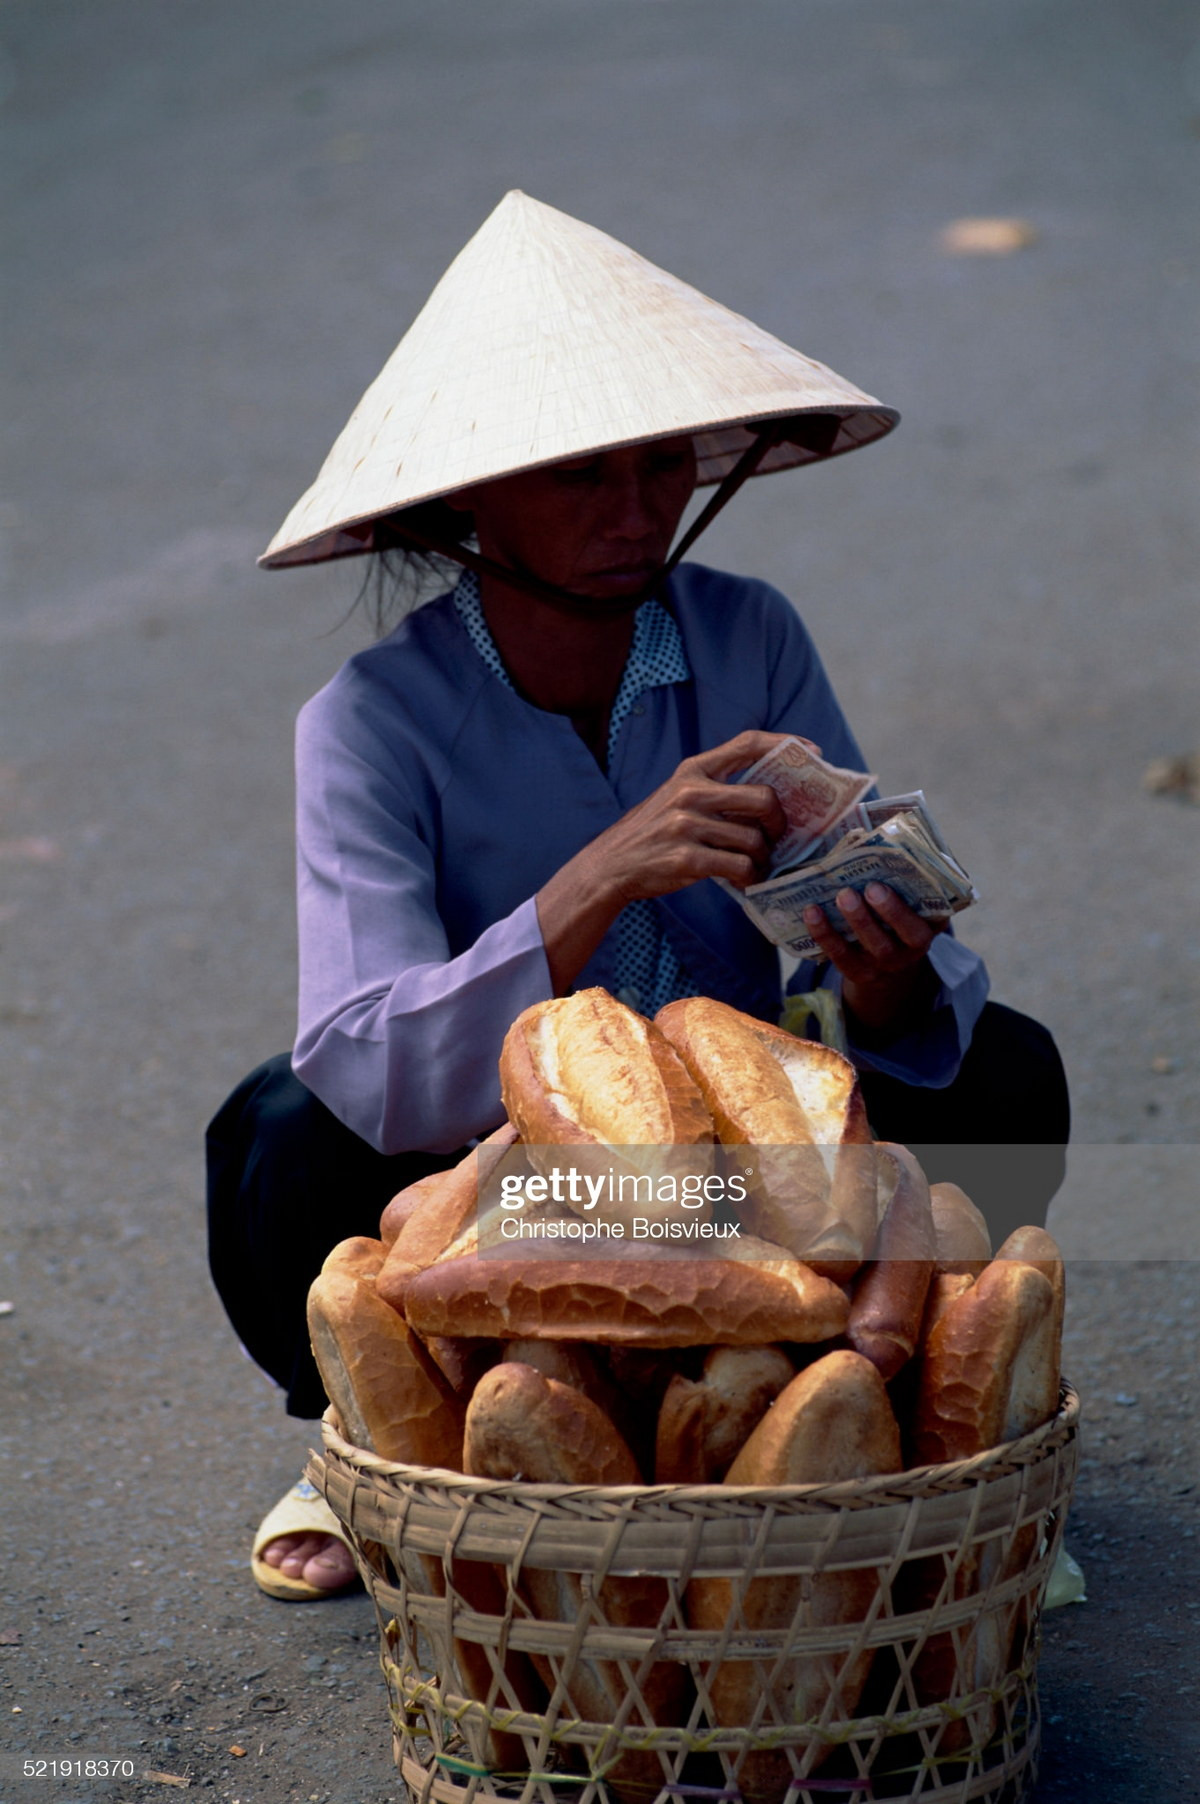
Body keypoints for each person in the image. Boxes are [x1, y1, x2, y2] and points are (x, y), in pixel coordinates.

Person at [207, 192, 1069, 1599]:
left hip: (752, 1177)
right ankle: (364, 1438)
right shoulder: (368, 720)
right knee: (279, 1135)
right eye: (578, 478)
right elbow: (368, 1057)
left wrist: (885, 975)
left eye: (662, 464)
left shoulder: (749, 633)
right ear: (470, 500)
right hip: (513, 1187)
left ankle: (920, 1430)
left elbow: (848, 981)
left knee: (1006, 1068)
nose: (634, 512)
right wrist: (604, 874)